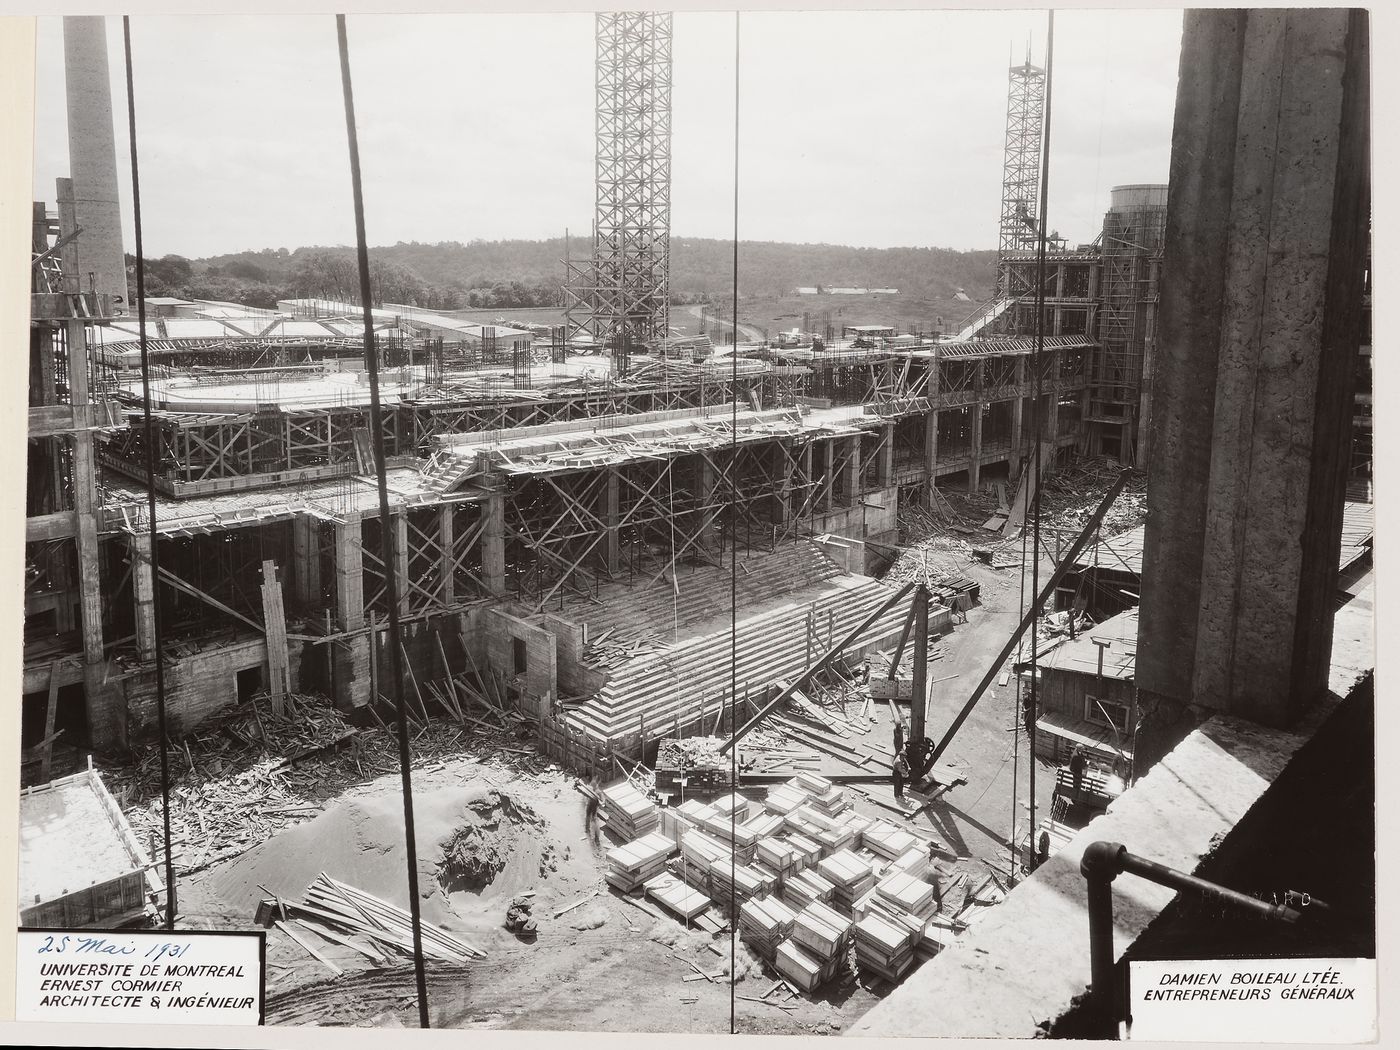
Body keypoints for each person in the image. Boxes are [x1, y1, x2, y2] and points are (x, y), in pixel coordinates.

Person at [584, 773, 602, 841]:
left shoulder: (598, 792)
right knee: (589, 817)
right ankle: (587, 829)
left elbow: (602, 801)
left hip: (593, 805)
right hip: (590, 804)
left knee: (593, 819)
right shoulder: (592, 790)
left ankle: (596, 835)